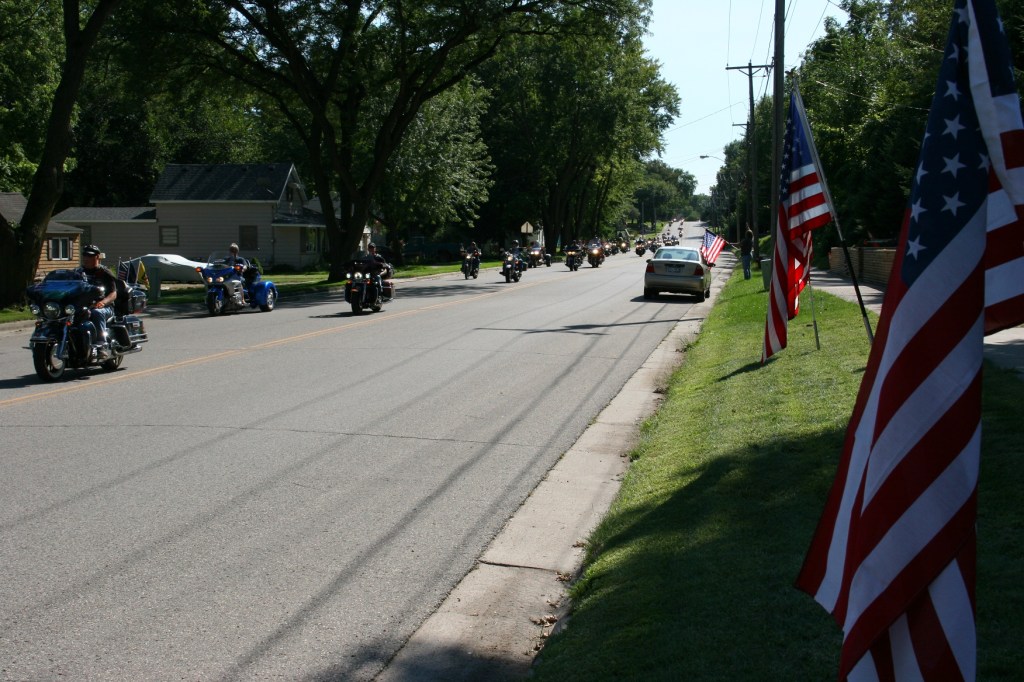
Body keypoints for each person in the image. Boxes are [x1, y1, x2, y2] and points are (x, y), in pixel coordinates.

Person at [77, 244, 118, 357]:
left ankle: (101, 345)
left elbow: (113, 293)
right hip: (82, 306)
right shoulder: (78, 273)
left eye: (90, 256)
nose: (86, 258)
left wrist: (103, 302)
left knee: (96, 313)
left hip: (103, 307)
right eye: (84, 255)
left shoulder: (104, 273)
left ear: (97, 257)